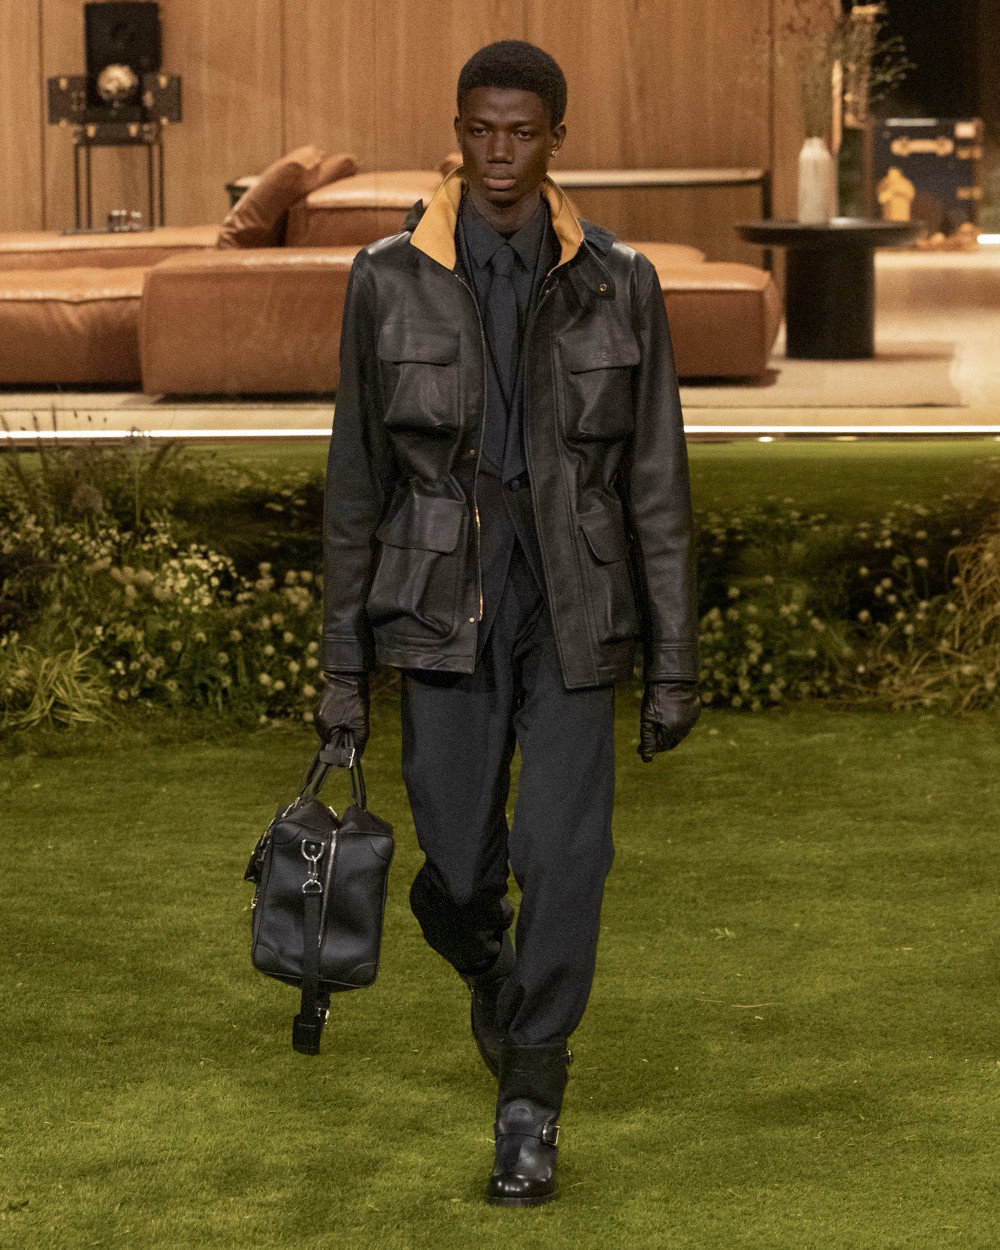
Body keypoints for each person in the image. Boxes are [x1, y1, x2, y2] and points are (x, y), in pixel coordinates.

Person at [316, 40, 699, 1207]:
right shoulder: (385, 278)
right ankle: (489, 960)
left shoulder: (618, 281)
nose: (498, 153)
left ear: (554, 140)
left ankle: (529, 1096)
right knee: (456, 860)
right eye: (480, 130)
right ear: (457, 132)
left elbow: (657, 483)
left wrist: (674, 662)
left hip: (576, 602)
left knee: (566, 856)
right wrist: (341, 668)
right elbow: (353, 484)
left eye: (521, 132)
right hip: (440, 600)